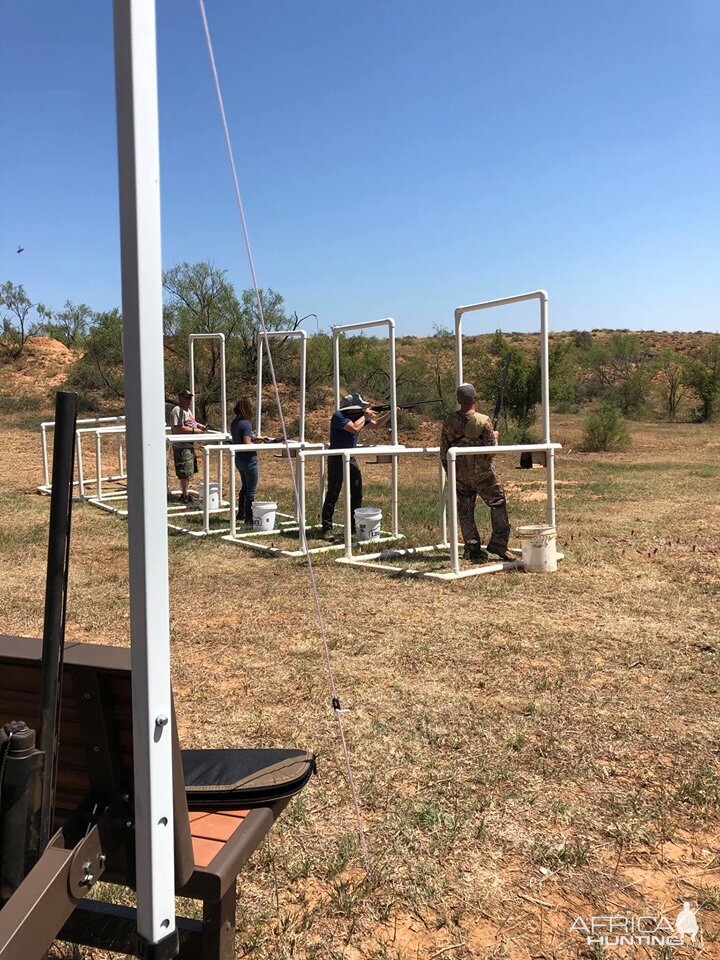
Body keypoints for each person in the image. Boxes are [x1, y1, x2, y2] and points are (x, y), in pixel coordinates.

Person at [439, 383, 514, 562]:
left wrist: (451, 472)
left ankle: (472, 547)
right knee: (498, 502)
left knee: (465, 511)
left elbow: (443, 451)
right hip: (482, 474)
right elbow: (491, 451)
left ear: (458, 400)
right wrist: (496, 437)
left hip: (459, 473)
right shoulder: (483, 420)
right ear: (475, 398)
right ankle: (499, 542)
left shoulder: (449, 421)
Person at [321, 393, 391, 541]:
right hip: (337, 457)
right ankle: (327, 528)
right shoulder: (339, 416)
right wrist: (365, 416)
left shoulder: (357, 417)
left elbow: (376, 425)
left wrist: (390, 414)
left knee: (357, 491)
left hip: (350, 457)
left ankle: (355, 525)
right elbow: (353, 428)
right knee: (333, 493)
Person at [170, 388, 206, 503]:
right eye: (186, 398)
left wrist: (201, 426)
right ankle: (185, 495)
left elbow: (192, 422)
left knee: (189, 471)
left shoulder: (187, 410)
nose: (189, 400)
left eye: (190, 398)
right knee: (184, 472)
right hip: (181, 445)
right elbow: (178, 428)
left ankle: (185, 493)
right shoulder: (177, 410)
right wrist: (195, 431)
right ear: (180, 398)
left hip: (188, 445)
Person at [230, 397, 260, 524]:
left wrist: (255, 439)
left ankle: (241, 513)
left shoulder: (234, 422)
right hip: (249, 460)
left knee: (245, 486)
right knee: (250, 490)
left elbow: (243, 439)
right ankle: (249, 519)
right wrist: (258, 445)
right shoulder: (246, 424)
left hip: (239, 459)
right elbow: (247, 442)